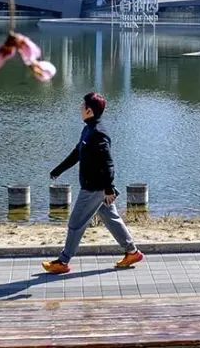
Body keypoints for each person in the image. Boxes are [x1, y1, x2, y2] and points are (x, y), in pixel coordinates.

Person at [42, 92, 144, 274]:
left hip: (94, 188)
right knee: (111, 219)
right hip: (96, 187)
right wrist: (58, 170)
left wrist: (108, 188)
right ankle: (132, 252)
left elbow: (108, 163)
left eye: (82, 106)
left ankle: (63, 262)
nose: (80, 108)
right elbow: (77, 153)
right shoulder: (88, 130)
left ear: (89, 111)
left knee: (75, 223)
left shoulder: (98, 133)